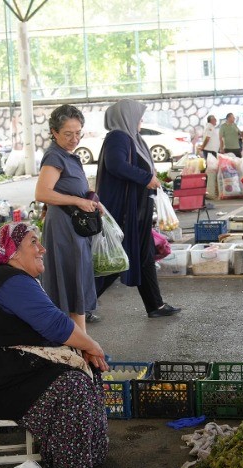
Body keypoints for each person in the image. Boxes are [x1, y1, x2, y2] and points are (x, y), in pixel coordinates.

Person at [0, 222, 110, 468]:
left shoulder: (14, 279)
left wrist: (85, 349)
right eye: (33, 242)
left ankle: (85, 459)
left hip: (6, 371)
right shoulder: (10, 281)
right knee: (72, 384)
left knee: (85, 370)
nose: (42, 249)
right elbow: (55, 324)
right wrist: (92, 346)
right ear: (12, 252)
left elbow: (53, 327)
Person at [94, 99, 180, 318]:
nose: (141, 120)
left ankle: (155, 305)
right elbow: (117, 165)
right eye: (138, 115)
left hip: (137, 209)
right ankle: (82, 305)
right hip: (124, 210)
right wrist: (146, 178)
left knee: (143, 255)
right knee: (117, 258)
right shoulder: (118, 137)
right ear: (127, 117)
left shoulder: (132, 137)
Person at [35, 104, 101, 331]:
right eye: (68, 134)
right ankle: (80, 342)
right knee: (71, 281)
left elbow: (70, 188)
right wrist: (78, 201)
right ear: (54, 132)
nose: (74, 139)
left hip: (74, 227)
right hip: (64, 228)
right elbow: (42, 194)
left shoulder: (67, 154)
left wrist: (90, 200)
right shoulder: (54, 156)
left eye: (78, 133)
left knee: (76, 281)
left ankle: (79, 343)